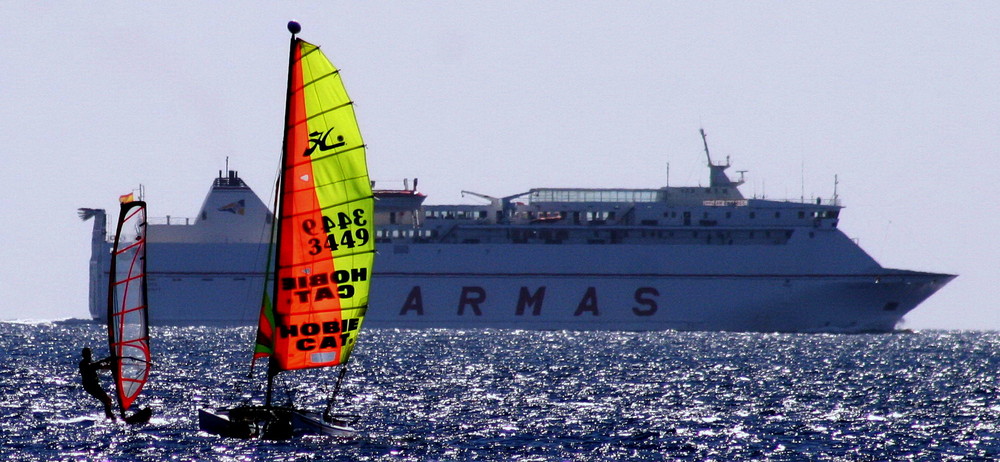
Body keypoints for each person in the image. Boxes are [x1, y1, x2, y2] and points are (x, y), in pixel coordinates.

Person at [79, 347, 116, 420]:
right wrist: (106, 360)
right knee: (107, 400)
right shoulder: (83, 364)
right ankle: (110, 417)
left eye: (89, 354)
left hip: (94, 386)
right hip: (90, 386)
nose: (89, 356)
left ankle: (109, 416)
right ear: (84, 355)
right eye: (87, 354)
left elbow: (100, 366)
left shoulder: (89, 363)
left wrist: (111, 365)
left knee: (107, 400)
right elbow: (93, 366)